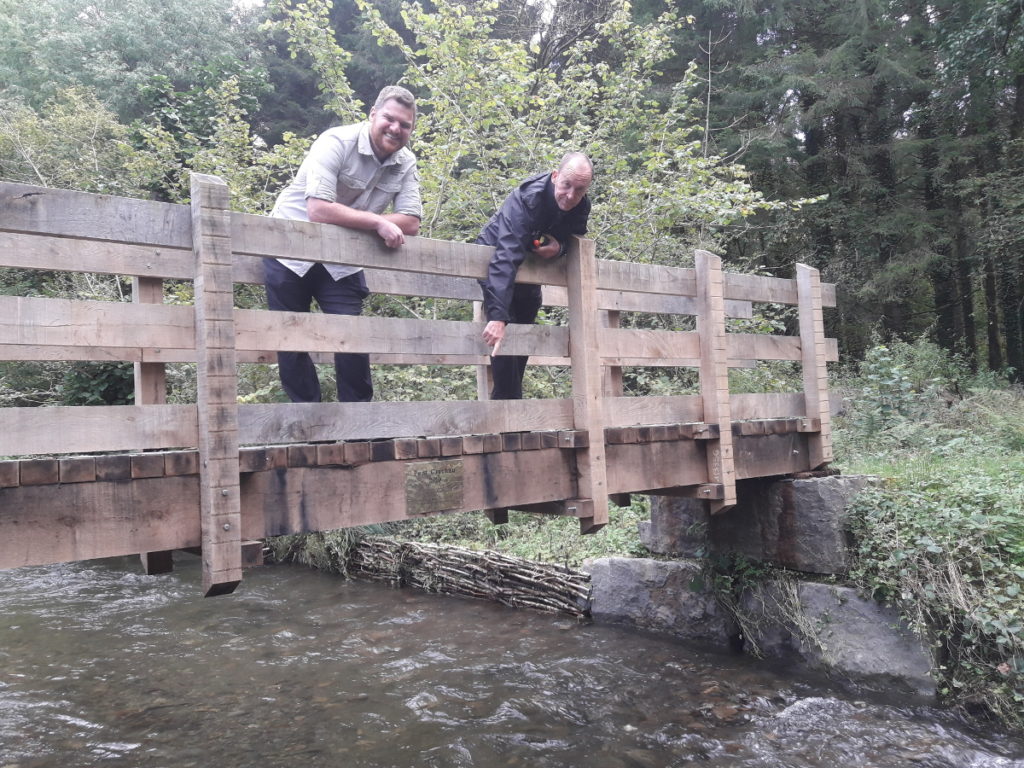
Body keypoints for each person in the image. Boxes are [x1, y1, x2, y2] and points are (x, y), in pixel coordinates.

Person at [264, 85, 422, 403]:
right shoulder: (336, 141)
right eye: (389, 119)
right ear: (373, 115)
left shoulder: (405, 162)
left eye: (405, 125)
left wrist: (374, 221)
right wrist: (376, 222)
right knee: (292, 338)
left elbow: (412, 221)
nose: (396, 128)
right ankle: (311, 432)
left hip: (344, 256)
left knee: (352, 338)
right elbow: (318, 209)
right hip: (290, 247)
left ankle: (358, 430)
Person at [478, 153, 594, 399]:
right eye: (566, 185)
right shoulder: (527, 199)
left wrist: (559, 248)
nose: (571, 195)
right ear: (555, 177)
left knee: (525, 329)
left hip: (531, 267)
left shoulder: (581, 205)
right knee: (505, 331)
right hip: (496, 257)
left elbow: (575, 239)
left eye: (580, 189)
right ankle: (511, 414)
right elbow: (505, 256)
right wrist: (498, 317)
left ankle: (509, 406)